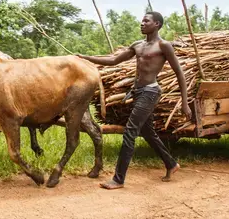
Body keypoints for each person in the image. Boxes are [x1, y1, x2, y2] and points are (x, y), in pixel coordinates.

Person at [77, 11, 191, 189]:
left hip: (150, 92)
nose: (142, 23)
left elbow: (180, 73)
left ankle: (118, 179)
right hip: (138, 93)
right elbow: (114, 60)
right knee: (148, 132)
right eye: (142, 20)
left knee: (130, 131)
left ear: (157, 25)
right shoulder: (138, 45)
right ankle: (171, 164)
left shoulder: (164, 46)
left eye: (146, 21)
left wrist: (184, 103)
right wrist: (86, 58)